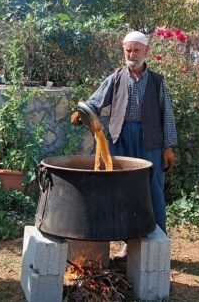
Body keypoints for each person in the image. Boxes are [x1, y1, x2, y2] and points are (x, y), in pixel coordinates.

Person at [71, 31, 177, 255]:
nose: (132, 54)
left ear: (146, 51)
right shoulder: (116, 77)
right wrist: (81, 113)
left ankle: (158, 244)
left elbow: (167, 114)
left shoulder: (157, 82)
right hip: (121, 138)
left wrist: (168, 147)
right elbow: (95, 102)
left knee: (153, 189)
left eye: (136, 50)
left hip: (150, 141)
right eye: (128, 50)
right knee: (122, 190)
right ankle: (129, 244)